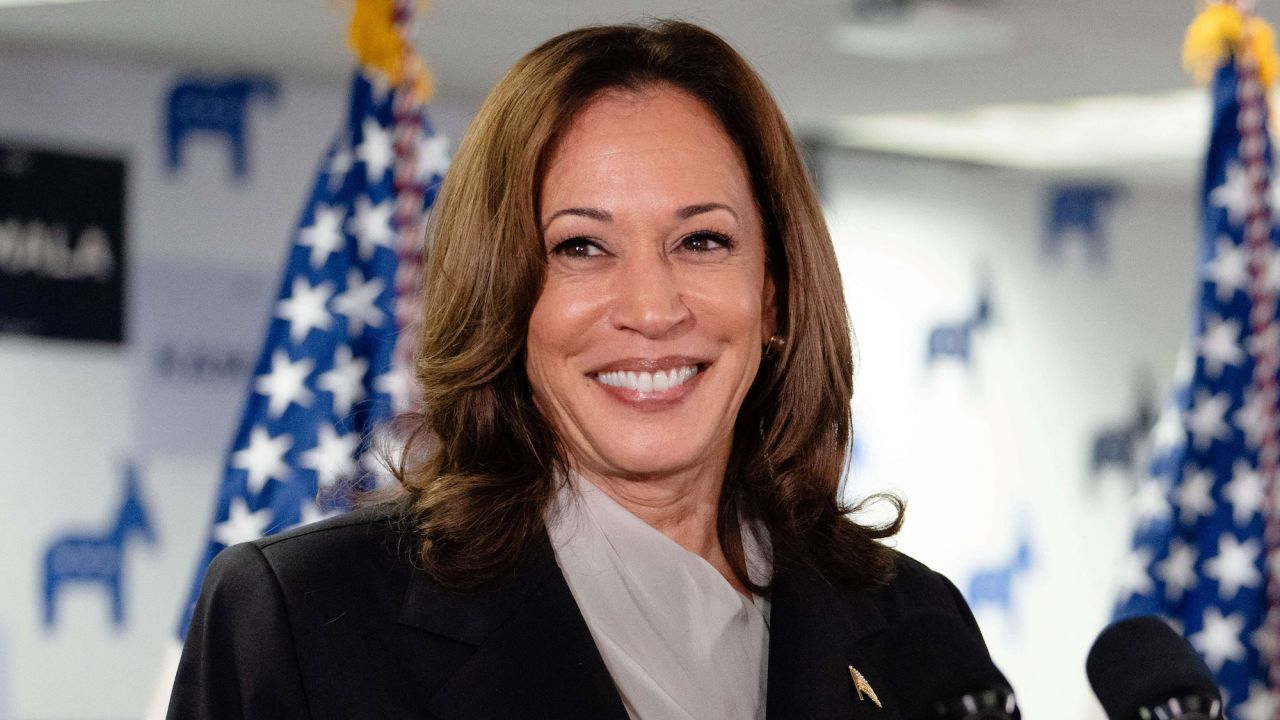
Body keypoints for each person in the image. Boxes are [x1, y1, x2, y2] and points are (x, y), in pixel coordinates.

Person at [168, 19, 1011, 720]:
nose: (650, 308)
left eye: (702, 241)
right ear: (503, 296)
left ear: (777, 295)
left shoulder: (912, 624)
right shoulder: (304, 619)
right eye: (580, 247)